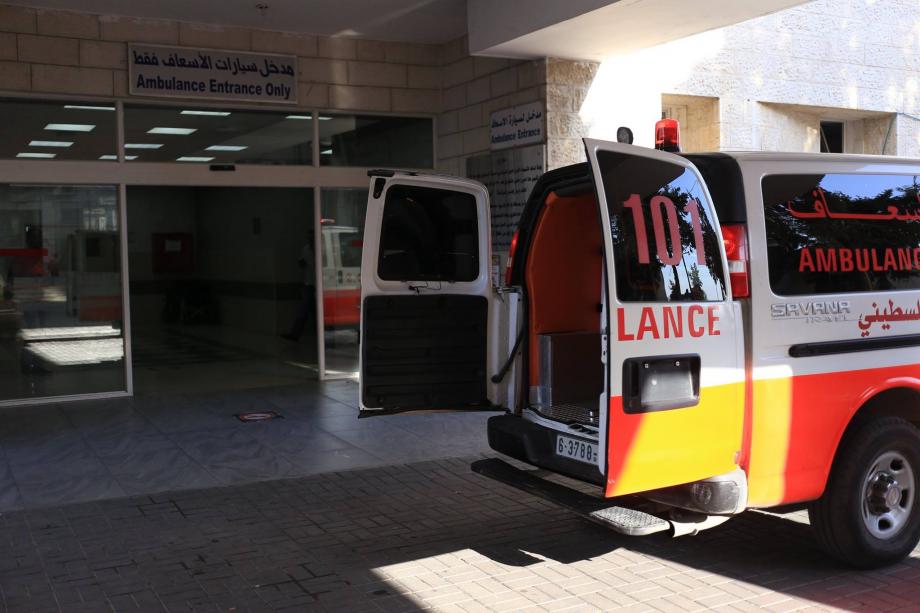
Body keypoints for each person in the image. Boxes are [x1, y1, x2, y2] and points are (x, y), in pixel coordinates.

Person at [282, 237, 316, 341]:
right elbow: (301, 262)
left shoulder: (320, 248)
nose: (310, 240)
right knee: (305, 309)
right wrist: (301, 263)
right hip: (308, 284)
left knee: (309, 310)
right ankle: (295, 334)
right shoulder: (306, 249)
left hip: (317, 285)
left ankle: (296, 334)